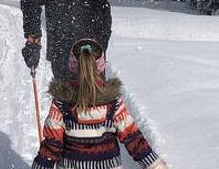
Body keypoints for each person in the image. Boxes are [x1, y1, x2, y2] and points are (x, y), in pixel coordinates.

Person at [31, 38, 168, 169]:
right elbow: (133, 138)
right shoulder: (113, 103)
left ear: (72, 66)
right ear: (101, 66)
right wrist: (155, 165)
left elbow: (52, 145)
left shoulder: (62, 103)